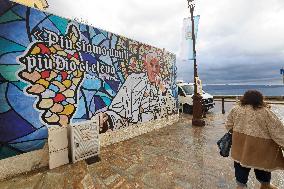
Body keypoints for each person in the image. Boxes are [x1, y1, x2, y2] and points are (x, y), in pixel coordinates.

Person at [95, 52, 176, 133]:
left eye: (157, 66)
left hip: (156, 132)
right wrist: (107, 118)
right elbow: (118, 111)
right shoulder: (133, 80)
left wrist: (163, 89)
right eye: (151, 65)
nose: (154, 70)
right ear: (146, 65)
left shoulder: (163, 87)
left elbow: (172, 109)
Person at [225, 90, 284, 189]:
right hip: (261, 152)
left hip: (241, 149)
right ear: (260, 99)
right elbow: (278, 132)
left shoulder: (235, 109)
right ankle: (265, 185)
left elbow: (228, 125)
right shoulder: (265, 112)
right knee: (264, 174)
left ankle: (240, 186)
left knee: (240, 173)